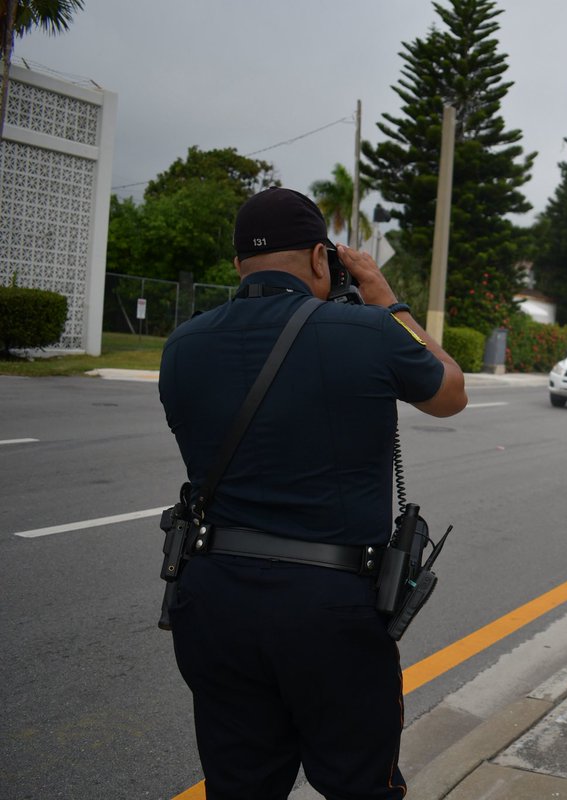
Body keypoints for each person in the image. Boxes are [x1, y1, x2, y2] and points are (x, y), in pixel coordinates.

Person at [158, 187, 467, 800]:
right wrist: (386, 299)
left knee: (239, 785)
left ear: (239, 264)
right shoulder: (370, 331)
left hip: (211, 600)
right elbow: (450, 393)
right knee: (359, 784)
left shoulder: (182, 346)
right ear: (323, 259)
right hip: (329, 611)